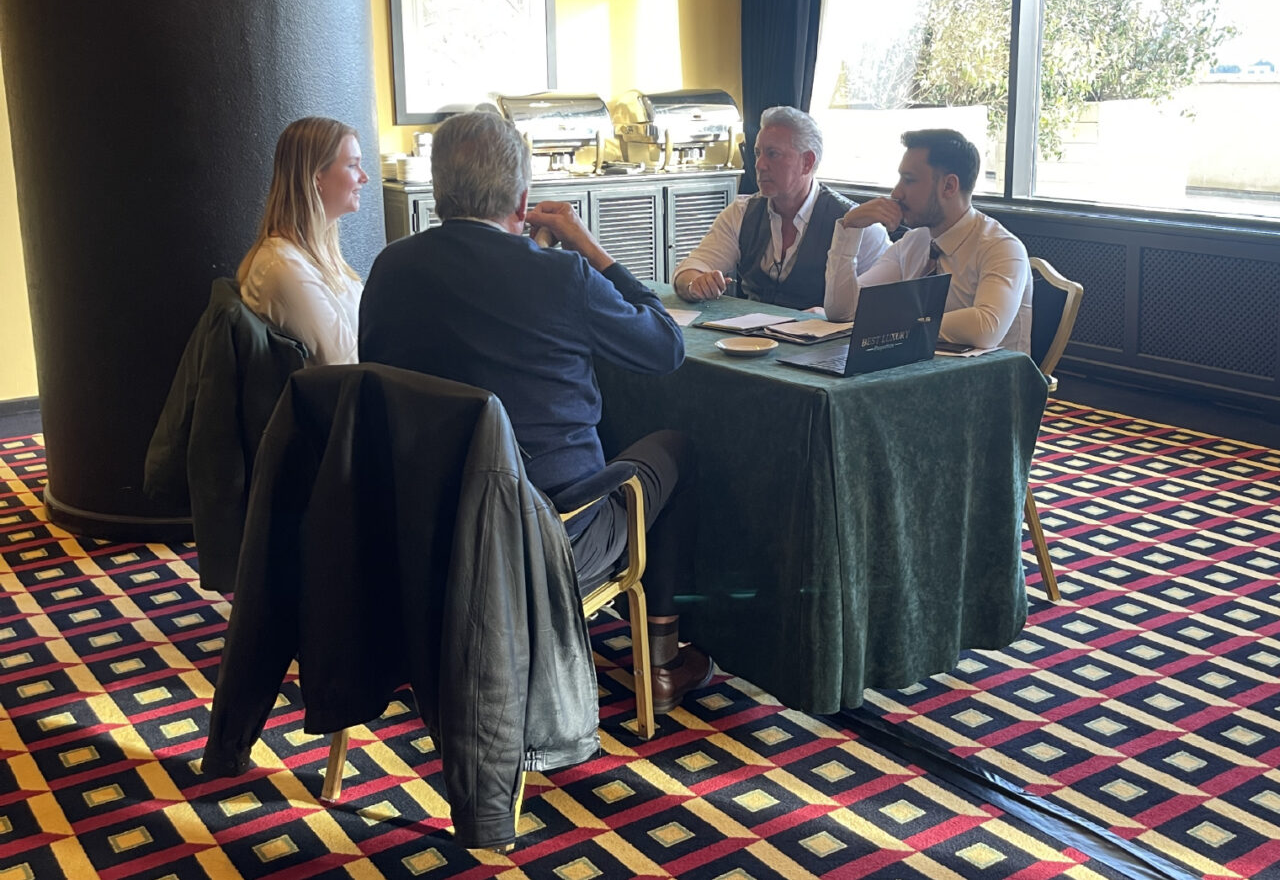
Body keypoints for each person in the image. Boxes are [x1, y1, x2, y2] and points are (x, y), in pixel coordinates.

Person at [359, 110, 714, 715]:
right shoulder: (563, 274)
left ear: (438, 190)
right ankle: (660, 665)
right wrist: (587, 247)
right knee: (677, 447)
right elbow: (665, 346)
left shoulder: (390, 268)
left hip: (422, 532)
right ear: (522, 201)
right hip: (545, 539)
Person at [824, 128, 1032, 352]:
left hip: (987, 374)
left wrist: (896, 323)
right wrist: (849, 228)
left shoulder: (1002, 248)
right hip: (911, 368)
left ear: (949, 186)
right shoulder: (913, 242)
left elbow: (986, 328)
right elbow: (843, 312)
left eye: (909, 180)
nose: (896, 193)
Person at [671, 105, 890, 309]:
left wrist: (826, 316)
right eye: (758, 153)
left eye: (772, 154)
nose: (759, 165)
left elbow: (883, 303)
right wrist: (695, 284)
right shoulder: (741, 213)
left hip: (822, 339)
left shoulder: (857, 225)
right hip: (749, 336)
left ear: (807, 162)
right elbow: (689, 269)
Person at [238, 116, 368, 366]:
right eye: (353, 165)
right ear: (317, 177)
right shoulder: (284, 267)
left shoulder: (317, 252)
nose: (364, 177)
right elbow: (345, 365)